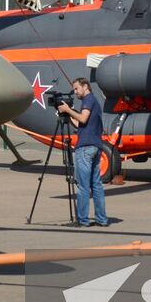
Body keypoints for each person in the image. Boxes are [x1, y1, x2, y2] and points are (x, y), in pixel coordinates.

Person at [57, 78, 108, 227]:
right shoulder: (94, 101)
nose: (75, 92)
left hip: (85, 147)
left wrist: (68, 110)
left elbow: (83, 119)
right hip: (95, 146)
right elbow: (80, 124)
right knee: (96, 184)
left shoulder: (88, 99)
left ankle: (83, 219)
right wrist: (70, 115)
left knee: (83, 185)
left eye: (76, 88)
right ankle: (101, 219)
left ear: (85, 87)